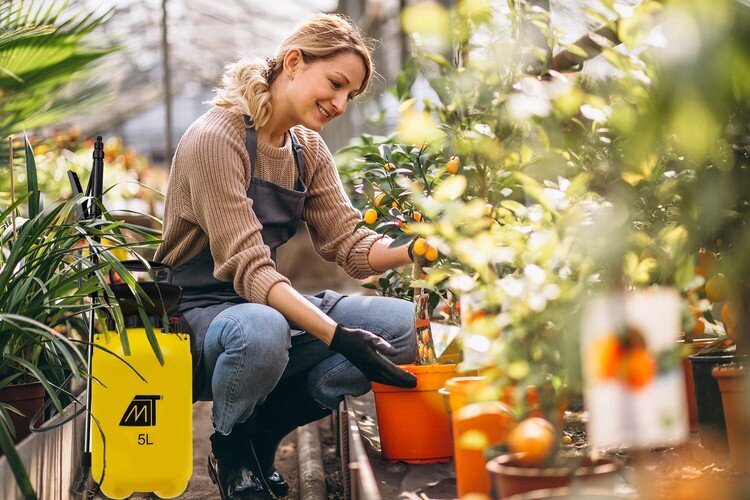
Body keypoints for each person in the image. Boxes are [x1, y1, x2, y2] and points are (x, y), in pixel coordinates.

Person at [155, 14, 419, 500]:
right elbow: (252, 272)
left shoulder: (307, 149)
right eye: (335, 84)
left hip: (263, 306)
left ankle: (262, 433)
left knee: (401, 326)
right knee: (262, 328)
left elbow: (352, 247)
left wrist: (421, 248)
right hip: (194, 322)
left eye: (350, 96)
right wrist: (338, 336)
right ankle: (231, 449)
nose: (340, 104)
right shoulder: (217, 139)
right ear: (294, 62)